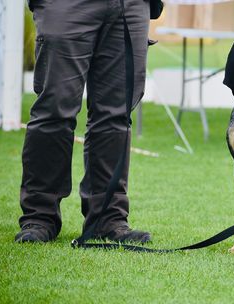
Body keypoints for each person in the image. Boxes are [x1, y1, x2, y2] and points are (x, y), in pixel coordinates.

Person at [16, 0, 151, 243]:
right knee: (54, 110)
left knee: (116, 116)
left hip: (129, 5)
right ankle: (39, 217)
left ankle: (108, 219)